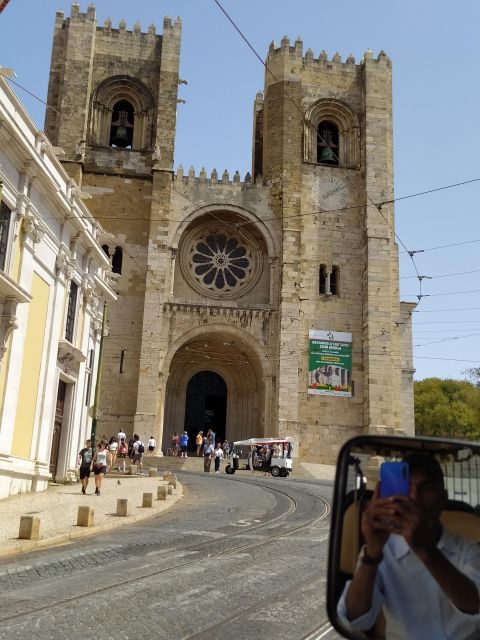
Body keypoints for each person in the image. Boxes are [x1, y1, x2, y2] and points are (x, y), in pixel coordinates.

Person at [337, 453, 480, 640]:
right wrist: (372, 551)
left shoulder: (468, 549)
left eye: (426, 488)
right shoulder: (382, 552)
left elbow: (475, 606)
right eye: (406, 489)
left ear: (443, 499)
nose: (414, 497)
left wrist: (426, 550)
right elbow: (354, 620)